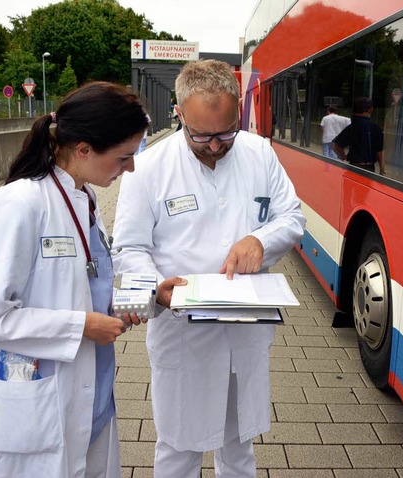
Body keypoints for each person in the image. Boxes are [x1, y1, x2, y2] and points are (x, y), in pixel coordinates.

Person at [111, 59, 306, 478]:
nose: (215, 145)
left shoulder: (260, 154)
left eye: (225, 133)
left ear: (238, 111)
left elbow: (292, 216)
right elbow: (129, 248)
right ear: (178, 115)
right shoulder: (147, 169)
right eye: (201, 135)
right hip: (183, 333)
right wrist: (153, 291)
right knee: (179, 447)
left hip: (244, 330)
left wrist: (261, 239)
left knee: (238, 446)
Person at [0, 81, 151, 478]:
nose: (130, 168)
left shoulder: (84, 198)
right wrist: (83, 325)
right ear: (83, 149)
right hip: (41, 399)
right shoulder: (21, 204)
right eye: (124, 157)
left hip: (91, 389)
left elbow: (80, 285)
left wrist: (150, 297)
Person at [333, 96, 386, 174]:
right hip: (369, 169)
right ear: (371, 109)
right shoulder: (376, 128)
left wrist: (343, 156)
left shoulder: (352, 127)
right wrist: (382, 169)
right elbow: (380, 152)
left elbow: (337, 146)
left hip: (353, 167)